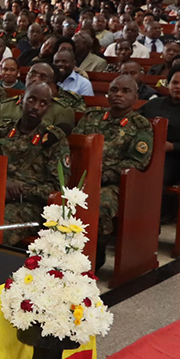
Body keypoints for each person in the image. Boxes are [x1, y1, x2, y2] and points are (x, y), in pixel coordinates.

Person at [73, 75, 152, 267]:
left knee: (100, 203)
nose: (118, 94)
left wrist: (103, 176)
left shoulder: (140, 125)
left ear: (135, 96)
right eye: (114, 90)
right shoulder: (92, 116)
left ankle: (95, 255)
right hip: (81, 176)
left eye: (125, 91)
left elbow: (136, 162)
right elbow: (74, 147)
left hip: (114, 183)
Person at [0, 82, 71, 245]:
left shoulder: (54, 138)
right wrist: (3, 184)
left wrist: (21, 190)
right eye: (31, 100)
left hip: (31, 205)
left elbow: (57, 186)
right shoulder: (2, 133)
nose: (36, 107)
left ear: (48, 107)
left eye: (43, 103)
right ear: (22, 100)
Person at [139, 63, 180, 186]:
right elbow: (135, 122)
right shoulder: (153, 104)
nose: (178, 87)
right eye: (175, 83)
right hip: (145, 153)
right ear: (168, 84)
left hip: (178, 160)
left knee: (155, 177)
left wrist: (173, 146)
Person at [0, 62, 75, 133]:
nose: (35, 79)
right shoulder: (5, 106)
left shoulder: (61, 110)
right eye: (32, 74)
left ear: (51, 82)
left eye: (43, 77)